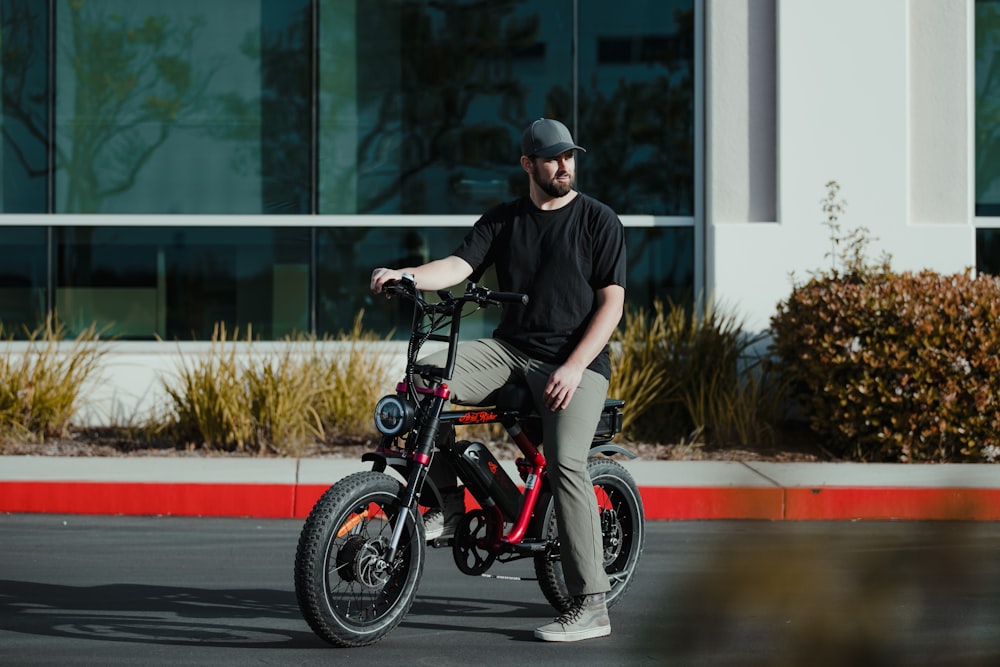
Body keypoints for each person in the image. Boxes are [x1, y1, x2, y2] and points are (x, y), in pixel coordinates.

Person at [370, 118, 626, 643]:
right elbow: (457, 266)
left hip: (576, 362)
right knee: (423, 379)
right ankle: (444, 504)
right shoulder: (504, 220)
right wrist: (407, 276)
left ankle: (593, 604)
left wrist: (575, 365)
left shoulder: (598, 220)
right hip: (510, 351)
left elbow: (612, 303)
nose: (564, 166)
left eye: (570, 156)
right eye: (553, 158)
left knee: (566, 462)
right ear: (528, 164)